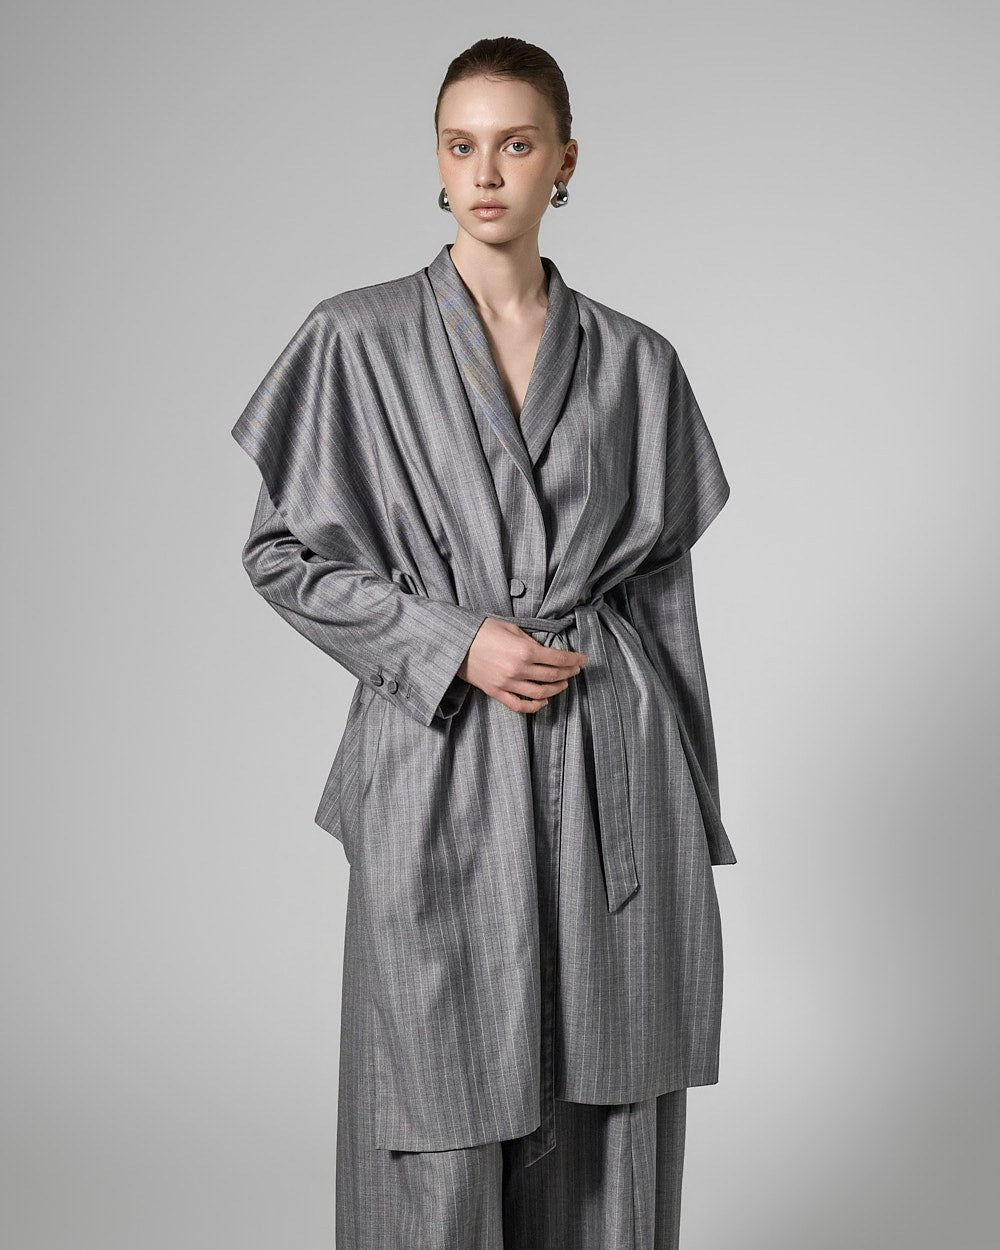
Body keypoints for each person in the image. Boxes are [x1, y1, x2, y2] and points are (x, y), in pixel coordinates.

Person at [232, 35, 737, 1250]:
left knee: (612, 1097)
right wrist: (453, 643)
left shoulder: (635, 361)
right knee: (434, 1095)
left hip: (611, 757)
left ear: (565, 161)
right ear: (437, 163)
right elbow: (283, 554)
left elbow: (664, 605)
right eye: (461, 146)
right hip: (441, 748)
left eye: (516, 144)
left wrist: (692, 808)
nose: (488, 172)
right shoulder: (354, 339)